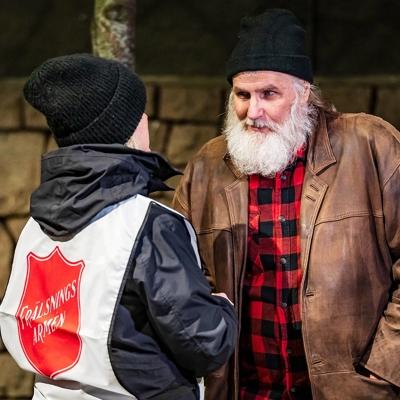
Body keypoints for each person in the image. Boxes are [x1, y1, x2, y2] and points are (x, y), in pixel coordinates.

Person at [172, 8, 400, 400]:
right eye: (242, 95)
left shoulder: (370, 145)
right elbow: (179, 281)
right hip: (246, 392)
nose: (252, 111)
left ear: (304, 93)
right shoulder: (207, 167)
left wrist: (381, 371)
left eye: (268, 94)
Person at [0, 54, 237, 400]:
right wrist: (224, 310)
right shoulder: (150, 225)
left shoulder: (36, 225)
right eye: (139, 114)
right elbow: (205, 343)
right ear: (125, 127)